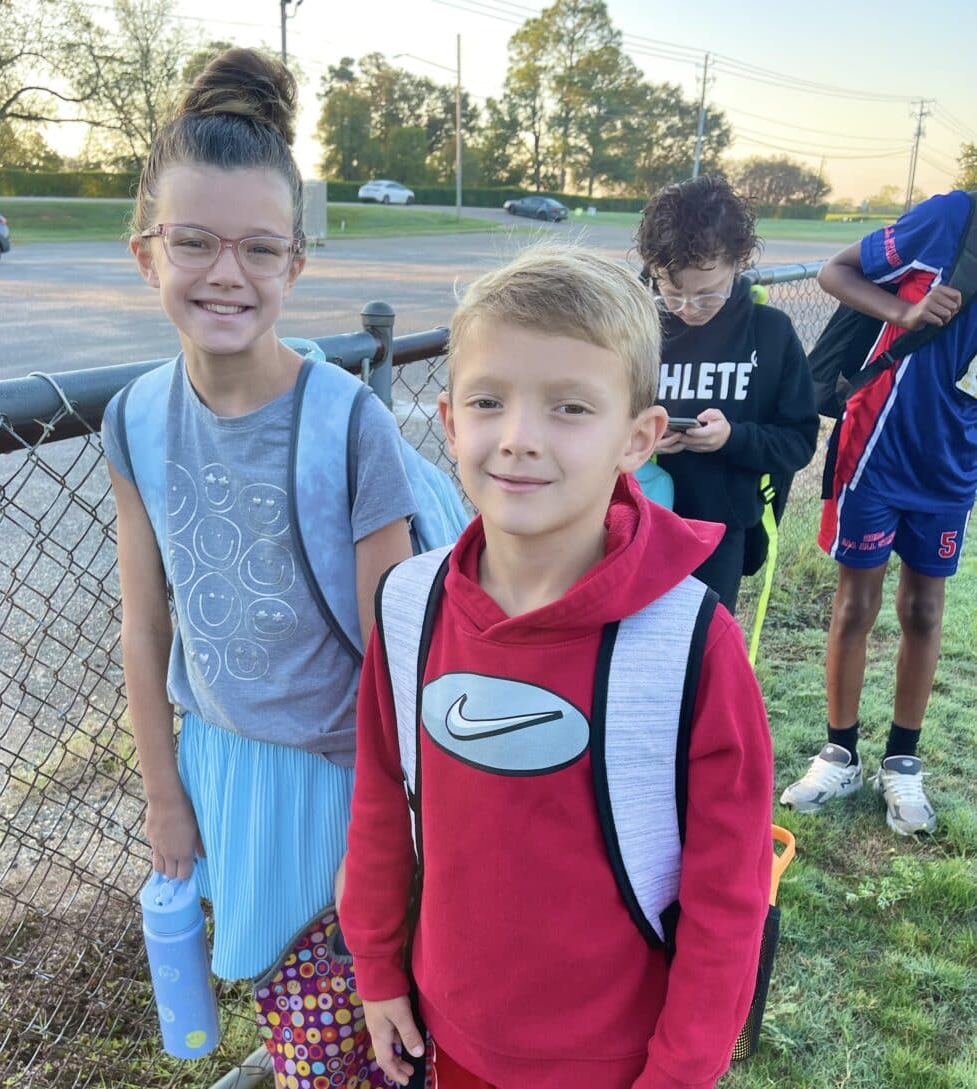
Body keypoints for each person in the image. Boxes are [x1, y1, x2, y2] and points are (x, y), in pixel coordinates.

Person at [340, 243, 775, 1089]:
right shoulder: (408, 606)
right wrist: (379, 965)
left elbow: (729, 897)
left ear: (638, 438)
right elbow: (383, 796)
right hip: (451, 1031)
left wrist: (679, 1072)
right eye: (489, 401)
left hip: (619, 1061)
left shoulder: (689, 643)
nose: (519, 439)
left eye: (570, 407)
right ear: (450, 421)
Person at [101, 46, 416, 990]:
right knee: (283, 1005)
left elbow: (391, 648)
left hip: (345, 777)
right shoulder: (135, 419)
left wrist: (394, 822)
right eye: (195, 241)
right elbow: (145, 625)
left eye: (260, 248)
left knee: (360, 1015)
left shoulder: (349, 423)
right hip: (223, 771)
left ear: (295, 262)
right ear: (146, 253)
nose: (226, 274)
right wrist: (165, 793)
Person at [781, 189, 977, 835]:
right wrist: (905, 309)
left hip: (953, 461)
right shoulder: (952, 218)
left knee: (924, 610)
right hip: (877, 448)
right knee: (854, 606)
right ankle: (839, 754)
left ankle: (903, 761)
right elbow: (834, 271)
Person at [635, 174, 819, 612]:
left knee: (705, 642)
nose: (689, 308)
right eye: (672, 292)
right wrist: (639, 440)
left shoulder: (770, 333)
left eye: (707, 294)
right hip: (634, 524)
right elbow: (591, 424)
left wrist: (732, 438)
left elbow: (797, 442)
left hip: (720, 532)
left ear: (739, 262)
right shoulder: (636, 329)